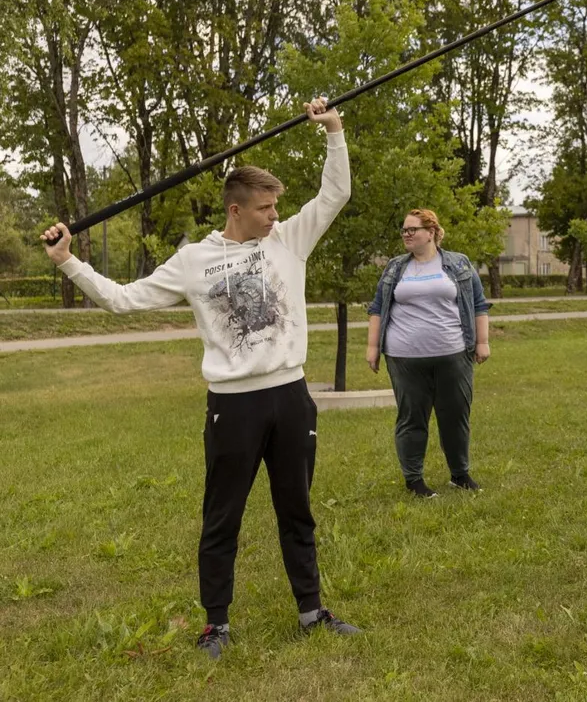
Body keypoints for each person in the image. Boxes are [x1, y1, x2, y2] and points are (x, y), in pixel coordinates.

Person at [40, 97, 359, 660]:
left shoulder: (288, 242)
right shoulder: (193, 261)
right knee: (222, 518)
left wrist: (333, 132)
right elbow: (121, 299)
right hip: (232, 406)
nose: (274, 216)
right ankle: (217, 624)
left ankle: (312, 613)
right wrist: (69, 261)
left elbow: (335, 194)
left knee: (297, 509)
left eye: (276, 206)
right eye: (265, 208)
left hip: (290, 397)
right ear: (236, 210)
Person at [366, 209, 491, 498]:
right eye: (404, 230)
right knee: (412, 417)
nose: (406, 234)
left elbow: (479, 304)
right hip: (404, 358)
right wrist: (372, 348)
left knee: (456, 416)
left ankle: (460, 475)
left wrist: (482, 341)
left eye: (413, 229)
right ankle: (414, 480)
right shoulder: (395, 268)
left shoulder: (458, 263)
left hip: (454, 355)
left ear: (431, 232)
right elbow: (377, 307)